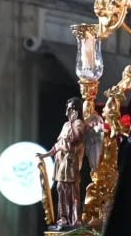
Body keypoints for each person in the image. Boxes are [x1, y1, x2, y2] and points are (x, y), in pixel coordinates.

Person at [39, 98, 88, 229]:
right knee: (60, 188)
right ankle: (63, 218)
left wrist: (72, 122)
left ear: (76, 110)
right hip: (61, 162)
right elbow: (58, 145)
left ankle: (75, 219)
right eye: (67, 109)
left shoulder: (78, 124)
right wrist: (45, 155)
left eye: (71, 109)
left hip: (71, 162)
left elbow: (77, 137)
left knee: (72, 191)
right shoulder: (65, 125)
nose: (67, 112)